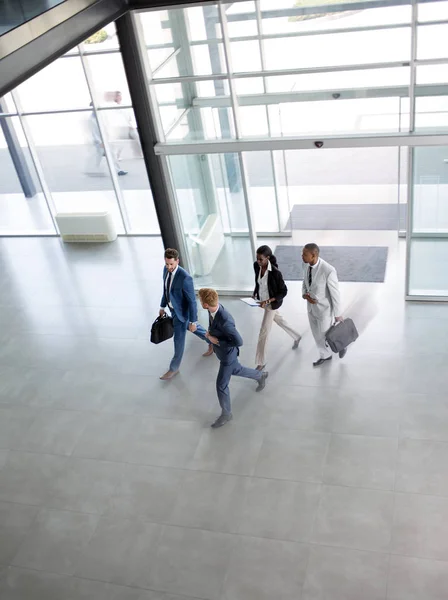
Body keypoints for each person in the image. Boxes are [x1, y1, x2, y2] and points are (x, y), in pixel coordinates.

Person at [195, 288, 268, 428]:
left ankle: (226, 414)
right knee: (237, 370)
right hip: (225, 355)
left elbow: (239, 341)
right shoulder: (214, 309)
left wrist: (215, 341)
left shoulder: (225, 321)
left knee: (221, 385)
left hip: (228, 356)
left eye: (200, 301)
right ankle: (260, 375)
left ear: (205, 304)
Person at [159, 248, 213, 381]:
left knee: (178, 340)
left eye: (171, 264)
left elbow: (192, 302)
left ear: (177, 261)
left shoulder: (185, 277)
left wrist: (193, 321)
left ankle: (173, 368)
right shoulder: (165, 271)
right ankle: (212, 341)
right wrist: (162, 306)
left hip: (182, 313)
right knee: (194, 329)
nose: (169, 267)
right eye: (167, 264)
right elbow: (166, 290)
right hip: (174, 310)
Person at [253, 245, 302, 370]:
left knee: (263, 331)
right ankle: (297, 336)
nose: (258, 261)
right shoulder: (256, 266)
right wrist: (255, 292)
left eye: (261, 259)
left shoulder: (275, 273)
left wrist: (268, 300)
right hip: (263, 302)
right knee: (279, 320)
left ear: (267, 258)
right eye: (257, 258)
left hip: (271, 304)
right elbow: (258, 281)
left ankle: (261, 362)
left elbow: (283, 291)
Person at [302, 243, 344, 367]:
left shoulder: (328, 270)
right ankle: (325, 355)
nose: (302, 256)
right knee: (317, 335)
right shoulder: (305, 265)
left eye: (305, 254)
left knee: (326, 335)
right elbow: (304, 282)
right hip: (311, 308)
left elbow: (335, 294)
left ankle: (341, 345)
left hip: (324, 310)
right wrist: (305, 295)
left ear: (313, 255)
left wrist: (338, 314)